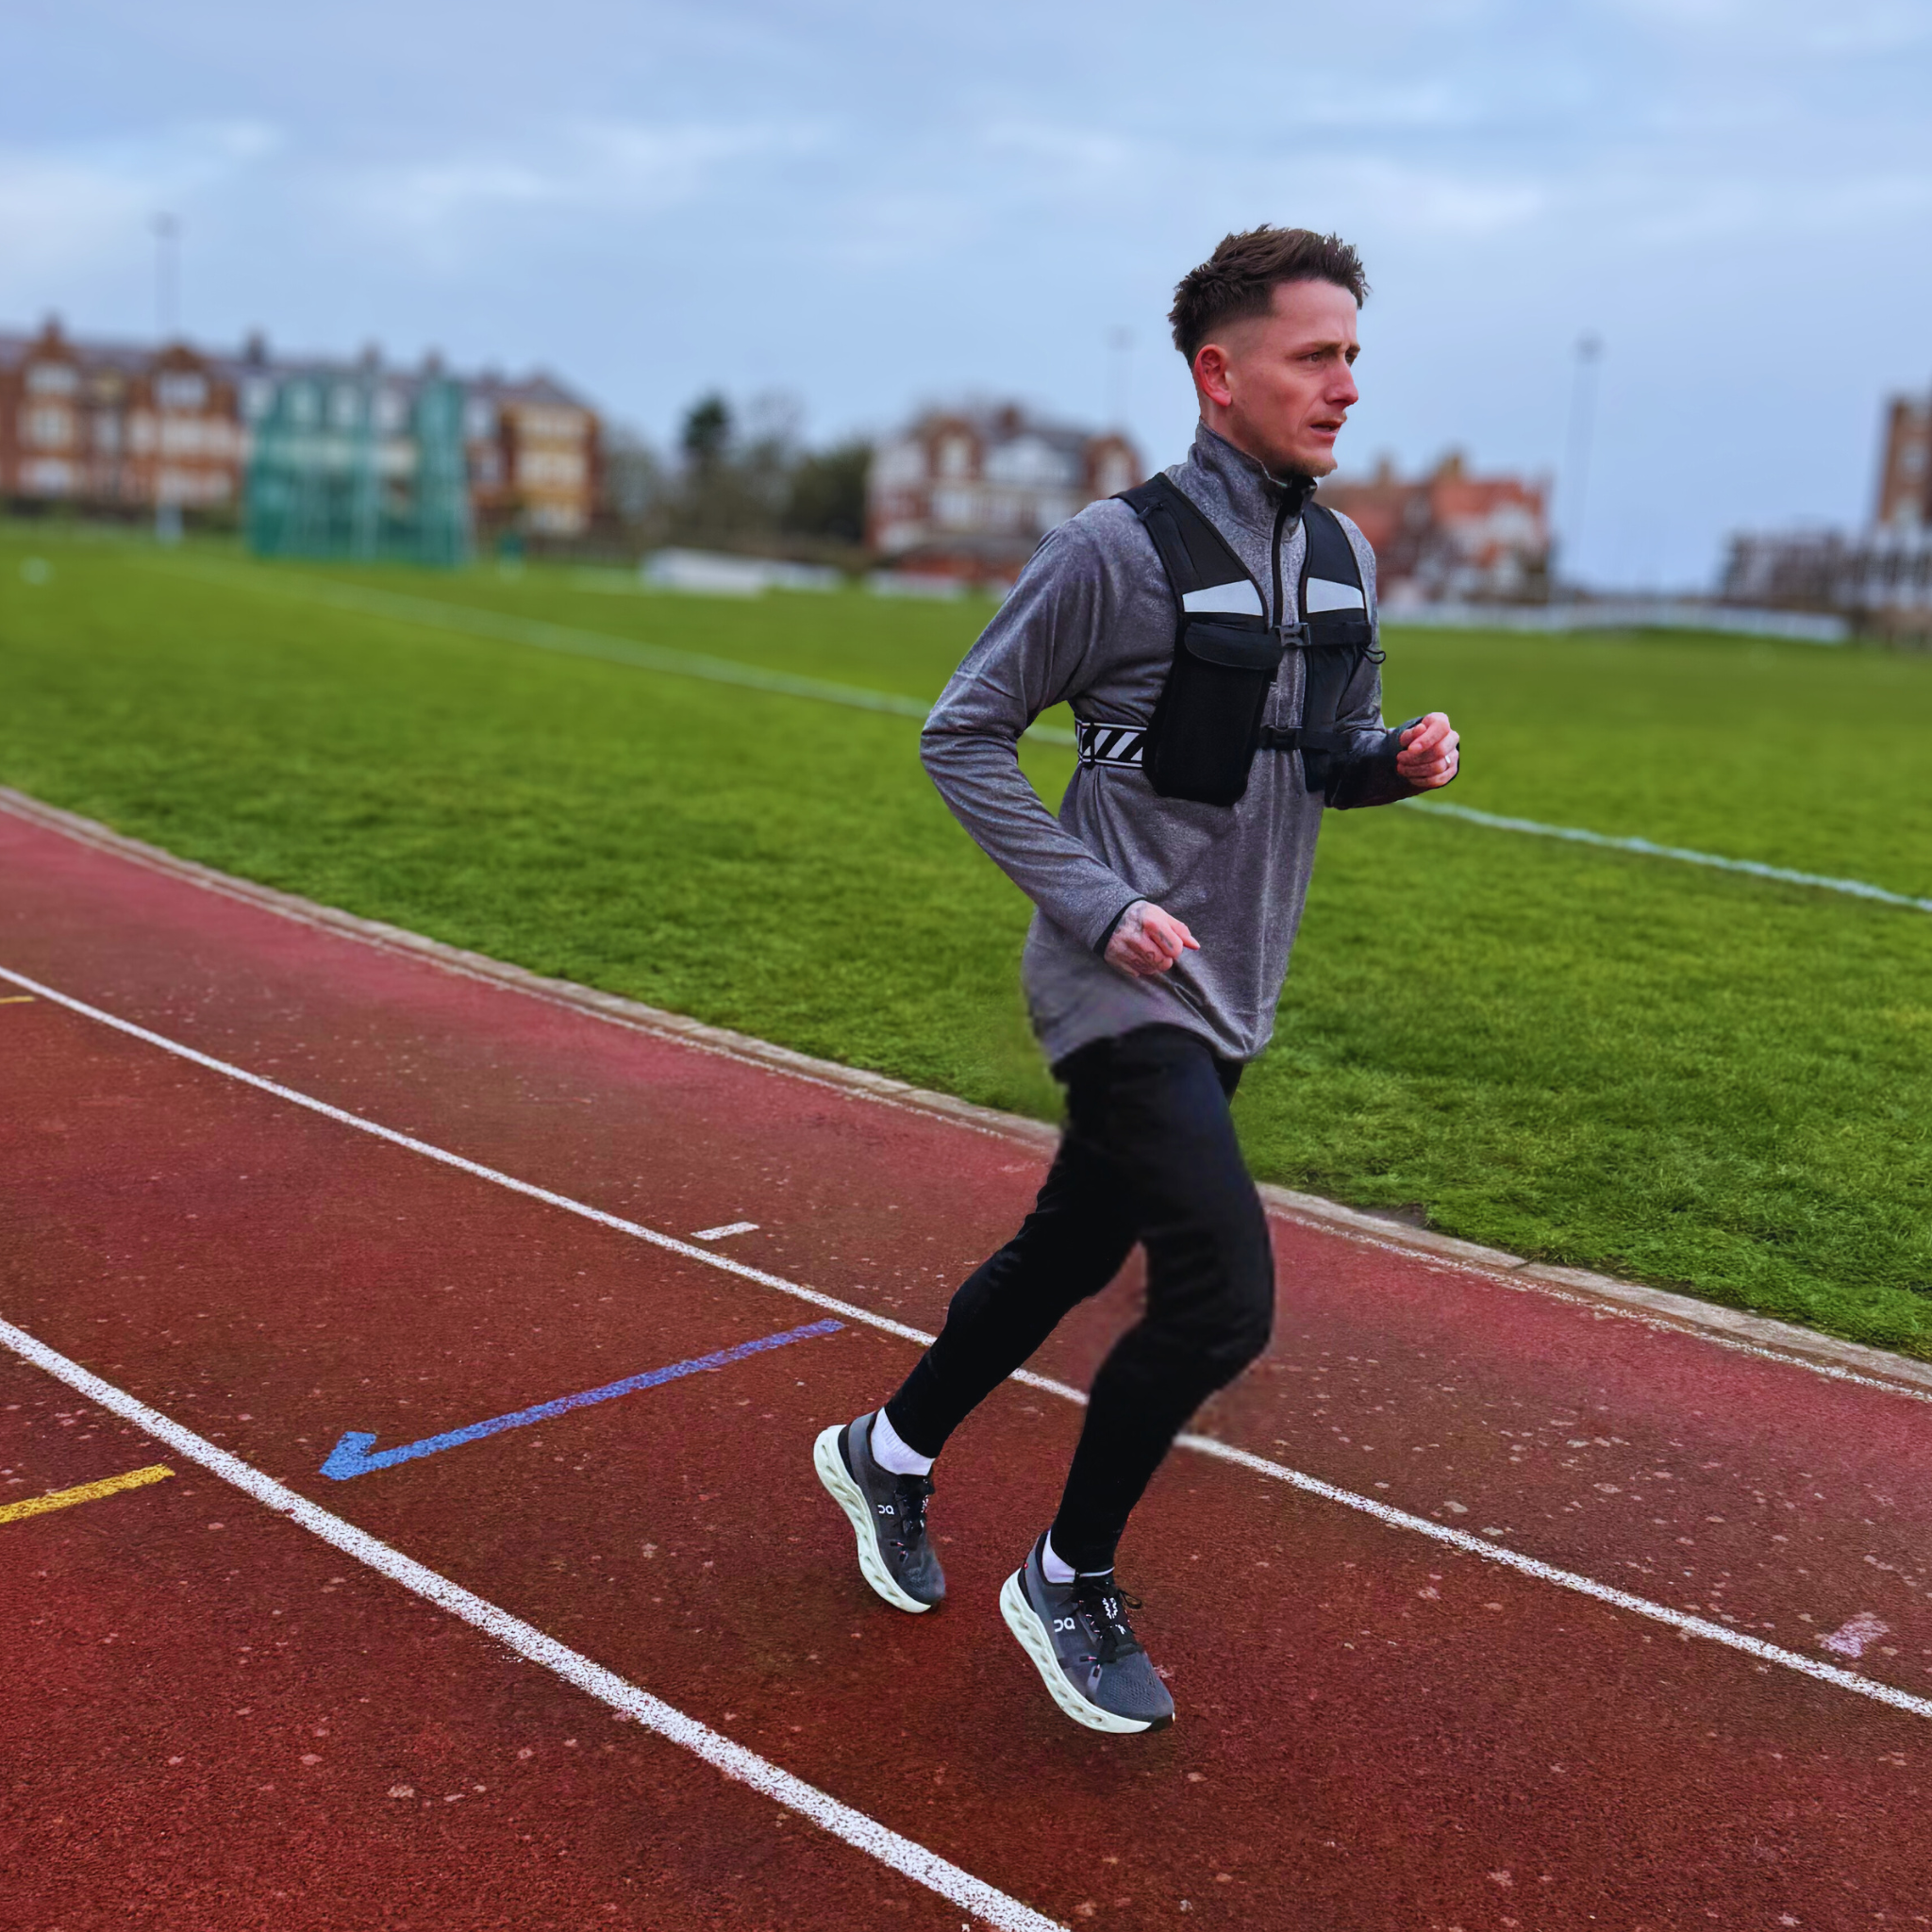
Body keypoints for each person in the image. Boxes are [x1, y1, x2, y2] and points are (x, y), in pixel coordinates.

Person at [814, 225, 1460, 1734]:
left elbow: (1323, 759)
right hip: (1116, 984)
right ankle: (1068, 1575)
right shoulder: (1116, 550)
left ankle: (885, 1457)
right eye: (1317, 355)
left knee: (1063, 1253)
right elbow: (961, 733)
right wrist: (1098, 906)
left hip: (1232, 980)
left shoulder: (1345, 554)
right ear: (1218, 373)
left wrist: (1392, 767)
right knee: (1221, 1301)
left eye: (1356, 354)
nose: (1347, 385)